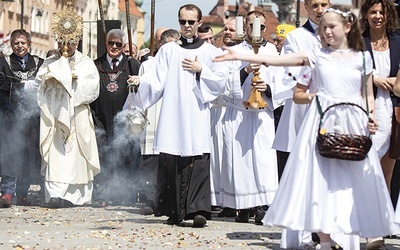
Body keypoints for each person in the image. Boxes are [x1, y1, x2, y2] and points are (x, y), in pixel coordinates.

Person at [214, 5, 399, 249]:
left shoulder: (362, 57)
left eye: (332, 26)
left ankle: (368, 233)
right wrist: (241, 56)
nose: (327, 31)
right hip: (321, 124)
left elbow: (367, 94)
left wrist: (370, 116)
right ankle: (325, 239)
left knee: (356, 180)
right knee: (319, 182)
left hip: (352, 124)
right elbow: (277, 60)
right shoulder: (316, 56)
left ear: (347, 27)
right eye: (323, 28)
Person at [127, 4, 227, 228]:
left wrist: (202, 70)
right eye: (183, 21)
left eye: (191, 22)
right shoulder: (168, 51)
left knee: (199, 158)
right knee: (173, 158)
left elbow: (220, 83)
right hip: (173, 114)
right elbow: (156, 80)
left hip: (198, 114)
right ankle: (175, 210)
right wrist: (140, 81)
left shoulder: (210, 53)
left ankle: (198, 210)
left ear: (199, 23)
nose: (187, 26)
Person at [217, 10, 279, 225]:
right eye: (251, 26)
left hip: (263, 115)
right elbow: (222, 85)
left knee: (263, 163)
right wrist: (244, 71)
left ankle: (263, 207)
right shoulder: (233, 51)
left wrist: (269, 88)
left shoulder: (274, 52)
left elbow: (284, 83)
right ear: (245, 28)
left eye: (260, 27)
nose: (256, 31)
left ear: (265, 28)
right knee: (240, 164)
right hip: (239, 113)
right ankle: (242, 207)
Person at [36, 38, 101, 208]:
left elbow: (93, 88)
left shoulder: (85, 63)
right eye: (62, 42)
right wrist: (51, 81)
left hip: (77, 113)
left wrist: (72, 82)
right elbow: (39, 84)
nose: (66, 46)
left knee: (78, 157)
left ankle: (79, 196)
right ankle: (55, 195)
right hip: (56, 114)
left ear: (77, 43)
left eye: (71, 42)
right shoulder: (50, 61)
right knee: (57, 158)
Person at [132, 28, 181, 215]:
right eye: (165, 44)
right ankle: (150, 200)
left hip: (172, 117)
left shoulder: (182, 64)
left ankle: (169, 203)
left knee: (170, 163)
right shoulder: (149, 64)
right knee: (150, 163)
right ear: (159, 45)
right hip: (153, 116)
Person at [90, 29, 141, 207]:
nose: (114, 47)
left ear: (123, 46)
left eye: (118, 44)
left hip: (124, 119)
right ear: (106, 43)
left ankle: (124, 194)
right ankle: (102, 195)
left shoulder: (132, 64)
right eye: (111, 43)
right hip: (101, 116)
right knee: (103, 155)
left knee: (126, 155)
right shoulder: (96, 65)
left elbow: (140, 90)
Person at [0, 29, 44, 207]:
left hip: (32, 117)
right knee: (11, 153)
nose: (20, 46)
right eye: (16, 43)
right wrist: (22, 87)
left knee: (28, 154)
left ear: (29, 44)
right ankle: (7, 192)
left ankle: (23, 193)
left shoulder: (39, 63)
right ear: (11, 45)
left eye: (23, 43)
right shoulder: (3, 63)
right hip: (11, 116)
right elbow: (1, 84)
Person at [211, 17, 237, 218]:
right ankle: (217, 199)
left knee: (232, 158)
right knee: (217, 157)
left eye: (232, 29)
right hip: (217, 111)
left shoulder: (246, 54)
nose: (227, 32)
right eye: (226, 29)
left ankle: (234, 200)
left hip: (239, 112)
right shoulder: (215, 54)